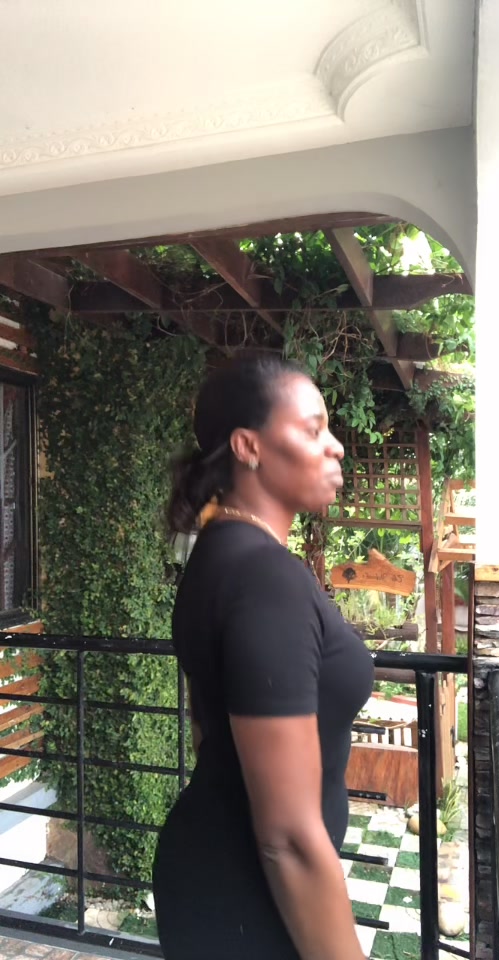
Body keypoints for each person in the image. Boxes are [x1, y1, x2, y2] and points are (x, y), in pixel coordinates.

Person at [153, 354, 374, 960]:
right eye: (313, 429)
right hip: (251, 906)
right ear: (248, 446)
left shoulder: (219, 554)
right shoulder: (264, 577)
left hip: (219, 887)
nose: (336, 446)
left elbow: (208, 728)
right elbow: (287, 839)